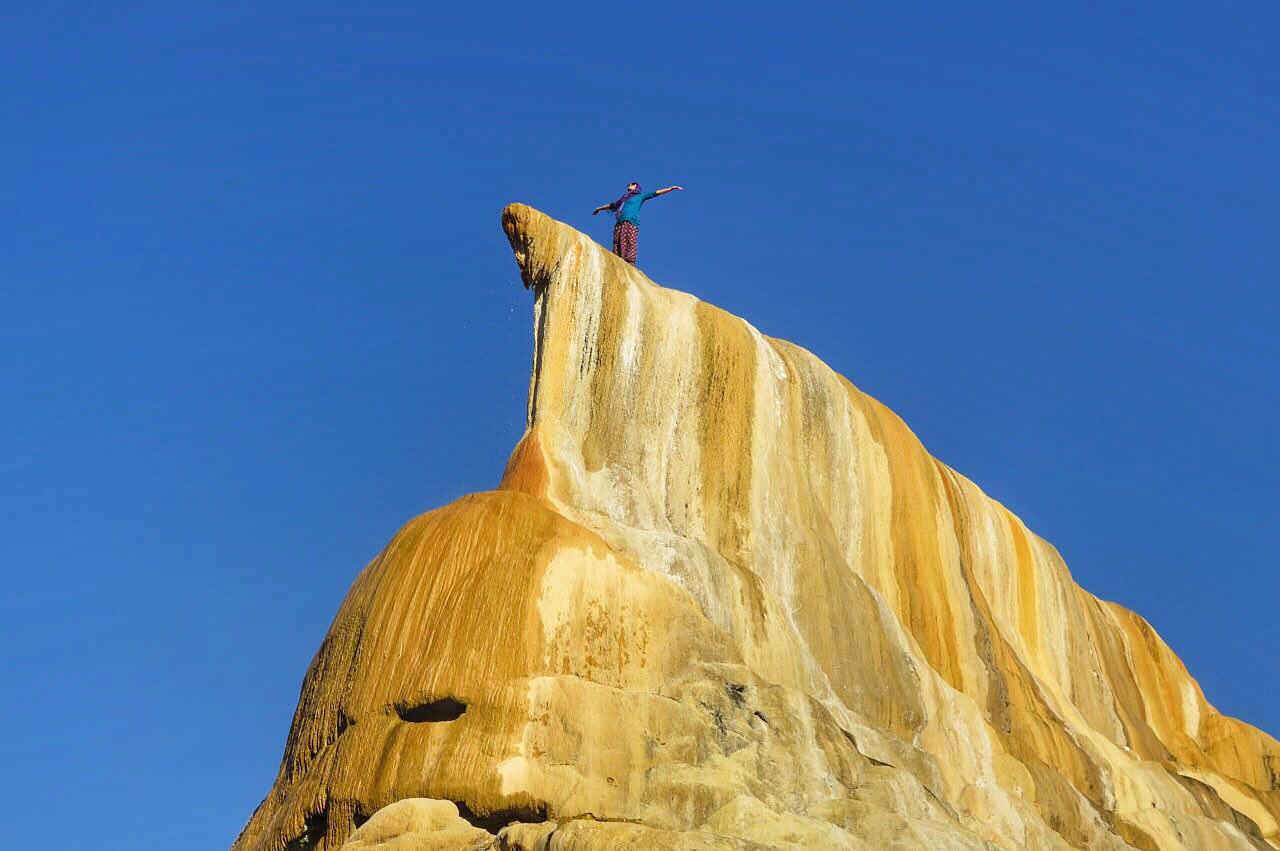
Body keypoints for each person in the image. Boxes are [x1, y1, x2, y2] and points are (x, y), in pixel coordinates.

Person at [592, 182, 684, 264]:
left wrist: (670, 188)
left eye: (631, 184)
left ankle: (629, 262)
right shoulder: (623, 199)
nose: (628, 185)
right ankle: (617, 259)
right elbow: (612, 205)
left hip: (631, 221)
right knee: (617, 241)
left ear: (636, 186)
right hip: (620, 222)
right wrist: (599, 208)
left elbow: (655, 193)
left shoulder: (640, 196)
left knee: (629, 240)